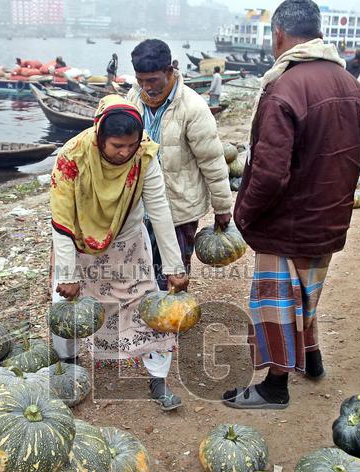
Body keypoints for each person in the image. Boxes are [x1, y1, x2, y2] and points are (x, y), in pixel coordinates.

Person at [223, 0, 360, 409]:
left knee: (277, 302)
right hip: (331, 213)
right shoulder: (352, 84)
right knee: (307, 292)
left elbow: (270, 172)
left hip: (286, 222)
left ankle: (274, 387)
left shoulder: (284, 88)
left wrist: (245, 213)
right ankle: (313, 358)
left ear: (279, 36)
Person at [50, 96, 188, 411]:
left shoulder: (145, 155)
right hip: (78, 240)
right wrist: (68, 275)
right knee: (67, 307)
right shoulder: (71, 158)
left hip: (127, 241)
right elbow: (61, 221)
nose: (125, 152)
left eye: (131, 144)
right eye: (117, 146)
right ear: (99, 137)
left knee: (150, 305)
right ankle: (68, 367)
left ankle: (158, 379)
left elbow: (160, 210)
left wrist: (173, 266)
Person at [127, 38, 233, 288]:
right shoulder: (133, 98)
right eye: (141, 80)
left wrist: (222, 207)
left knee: (173, 274)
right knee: (140, 269)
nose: (146, 87)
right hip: (139, 206)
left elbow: (212, 161)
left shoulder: (192, 107)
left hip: (178, 208)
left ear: (169, 70)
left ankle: (170, 323)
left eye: (152, 80)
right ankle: (143, 321)